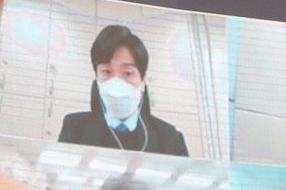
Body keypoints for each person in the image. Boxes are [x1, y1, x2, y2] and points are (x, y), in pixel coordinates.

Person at [57, 24, 189, 155]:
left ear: (143, 80)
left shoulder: (169, 138)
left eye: (127, 73)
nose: (116, 83)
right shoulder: (74, 129)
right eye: (107, 71)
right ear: (97, 79)